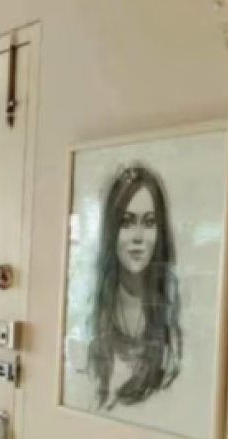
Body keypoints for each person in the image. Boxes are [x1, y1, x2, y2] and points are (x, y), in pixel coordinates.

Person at [87, 164, 182, 410]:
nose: (138, 237)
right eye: (127, 222)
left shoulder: (174, 310)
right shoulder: (93, 310)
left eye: (149, 222)